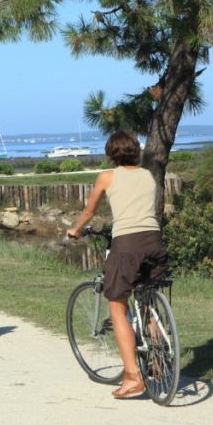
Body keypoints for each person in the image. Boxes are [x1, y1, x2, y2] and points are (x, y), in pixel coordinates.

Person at [67, 130, 168, 399]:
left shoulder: (107, 176)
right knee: (145, 302)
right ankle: (158, 364)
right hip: (154, 241)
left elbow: (89, 211)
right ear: (135, 150)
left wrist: (75, 230)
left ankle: (133, 375)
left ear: (111, 152)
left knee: (117, 306)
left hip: (127, 245)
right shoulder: (147, 175)